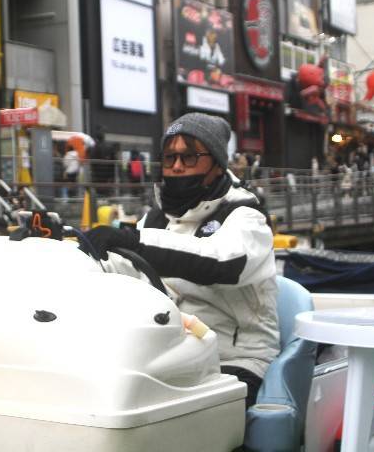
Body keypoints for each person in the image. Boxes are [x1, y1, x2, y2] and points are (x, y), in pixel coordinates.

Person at [81, 112, 279, 408]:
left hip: (237, 359)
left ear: (216, 163)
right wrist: (67, 247)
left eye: (188, 157)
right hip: (171, 351)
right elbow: (130, 268)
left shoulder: (246, 216)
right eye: (169, 157)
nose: (175, 166)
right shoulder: (157, 218)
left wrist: (135, 241)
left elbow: (222, 261)